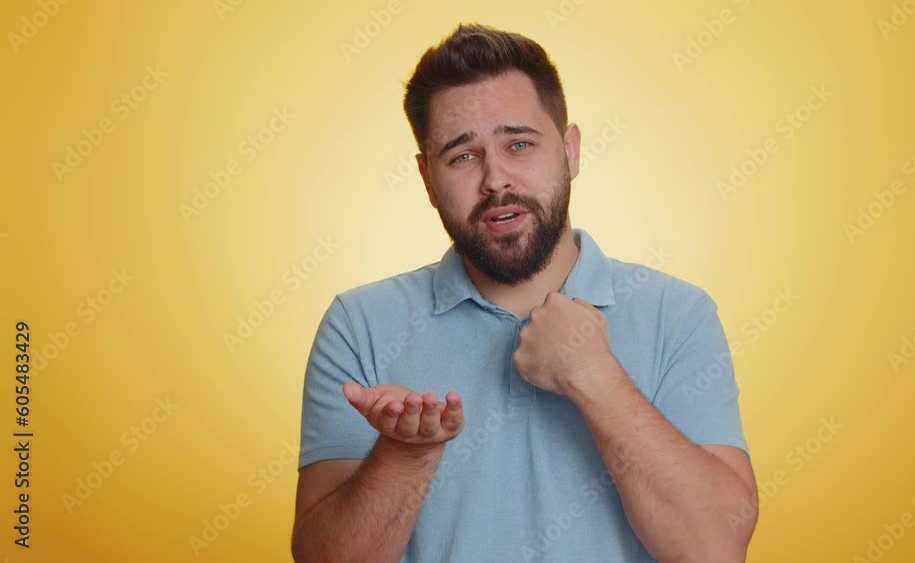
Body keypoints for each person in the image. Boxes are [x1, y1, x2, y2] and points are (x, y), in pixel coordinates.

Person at [291, 22, 757, 563]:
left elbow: (715, 549)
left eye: (519, 144)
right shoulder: (360, 326)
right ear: (427, 179)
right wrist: (404, 453)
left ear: (571, 151)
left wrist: (593, 375)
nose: (496, 179)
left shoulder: (678, 315)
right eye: (462, 156)